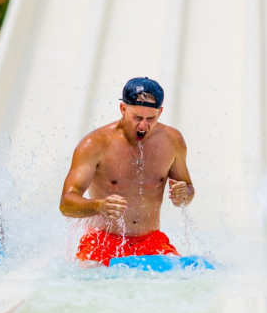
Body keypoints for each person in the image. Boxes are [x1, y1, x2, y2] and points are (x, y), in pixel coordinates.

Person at [59, 77, 194, 267]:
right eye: (137, 117)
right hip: (103, 241)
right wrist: (99, 206)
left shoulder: (172, 141)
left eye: (151, 118)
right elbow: (66, 204)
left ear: (160, 112)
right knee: (87, 282)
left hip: (151, 240)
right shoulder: (96, 144)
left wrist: (184, 194)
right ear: (123, 109)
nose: (143, 126)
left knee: (183, 280)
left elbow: (188, 190)